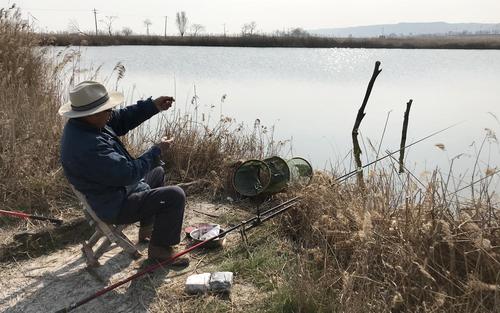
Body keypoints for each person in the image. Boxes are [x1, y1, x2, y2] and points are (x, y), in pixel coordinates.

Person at [59, 80, 188, 266]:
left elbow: (121, 118)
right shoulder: (88, 146)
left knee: (157, 171)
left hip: (116, 191)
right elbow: (129, 173)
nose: (111, 113)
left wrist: (153, 106)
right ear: (91, 114)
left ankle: (147, 231)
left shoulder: (87, 124)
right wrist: (156, 151)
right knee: (174, 195)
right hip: (113, 205)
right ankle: (160, 251)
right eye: (107, 110)